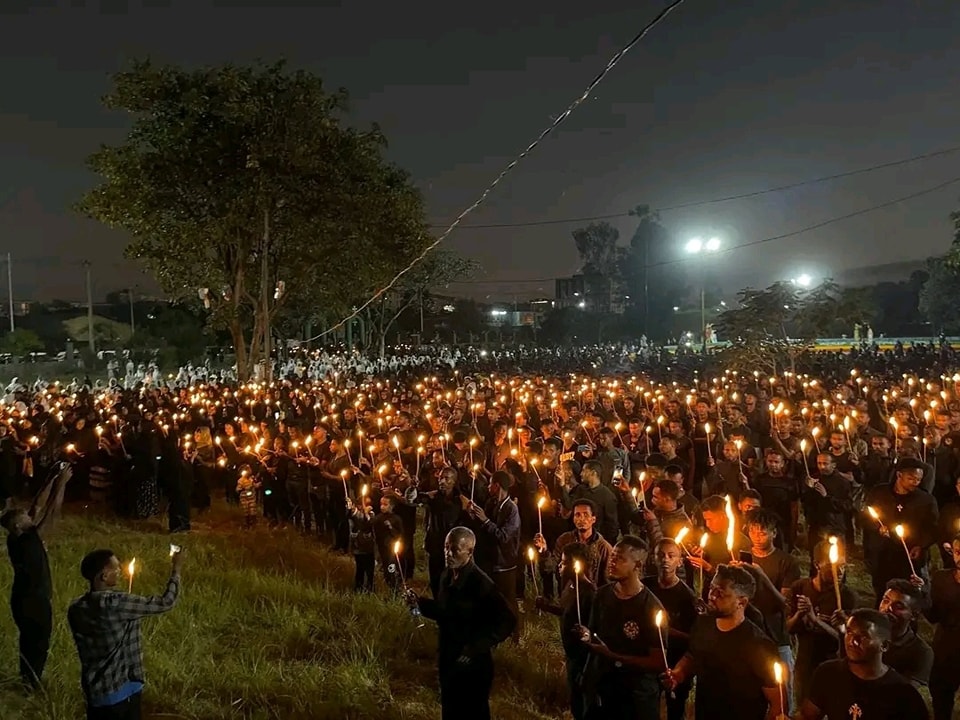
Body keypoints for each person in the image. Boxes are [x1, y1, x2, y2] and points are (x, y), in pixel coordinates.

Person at [405, 527, 516, 720]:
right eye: (446, 547)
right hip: (449, 657)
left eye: (455, 549)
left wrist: (477, 646)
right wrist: (420, 603)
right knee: (450, 710)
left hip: (473, 664)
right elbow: (444, 611)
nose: (448, 553)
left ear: (470, 552)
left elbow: (507, 620)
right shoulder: (446, 576)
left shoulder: (481, 584)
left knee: (473, 712)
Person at [68, 547, 184, 719]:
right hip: (122, 692)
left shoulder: (76, 608)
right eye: (115, 568)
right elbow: (166, 602)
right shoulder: (117, 604)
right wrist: (176, 570)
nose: (119, 572)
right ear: (104, 576)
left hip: (96, 694)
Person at [663, 564, 783, 720]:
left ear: (742, 602)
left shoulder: (759, 645)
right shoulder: (703, 623)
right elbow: (692, 655)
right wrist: (678, 673)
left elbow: (778, 702)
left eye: (720, 593)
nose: (711, 596)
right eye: (712, 588)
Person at [577, 535, 665, 720]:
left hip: (635, 696)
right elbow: (594, 633)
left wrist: (613, 656)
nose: (612, 562)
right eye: (612, 557)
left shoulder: (651, 608)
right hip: (602, 689)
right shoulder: (602, 595)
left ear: (638, 565)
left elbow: (657, 662)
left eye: (620, 559)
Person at [0, 462, 72, 688]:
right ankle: (32, 683)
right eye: (25, 518)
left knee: (28, 641)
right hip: (34, 600)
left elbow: (37, 506)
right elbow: (51, 513)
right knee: (38, 642)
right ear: (18, 526)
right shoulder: (29, 541)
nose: (29, 516)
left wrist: (52, 477)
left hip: (22, 597)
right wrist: (62, 484)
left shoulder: (18, 537)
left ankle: (27, 678)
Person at [798, 609, 929, 719]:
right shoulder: (828, 673)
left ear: (884, 645)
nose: (852, 642)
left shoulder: (903, 694)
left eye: (864, 636)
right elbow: (808, 716)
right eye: (849, 632)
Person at [535, 542, 596, 720]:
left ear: (577, 564)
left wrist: (586, 635)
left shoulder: (588, 593)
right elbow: (566, 613)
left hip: (582, 659)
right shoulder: (570, 586)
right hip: (571, 654)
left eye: (564, 563)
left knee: (583, 702)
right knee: (575, 700)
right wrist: (546, 607)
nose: (560, 566)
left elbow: (594, 629)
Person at [877, 578, 933, 687]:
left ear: (914, 615)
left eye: (898, 606)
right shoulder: (866, 634)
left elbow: (908, 692)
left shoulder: (922, 652)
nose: (888, 608)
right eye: (886, 600)